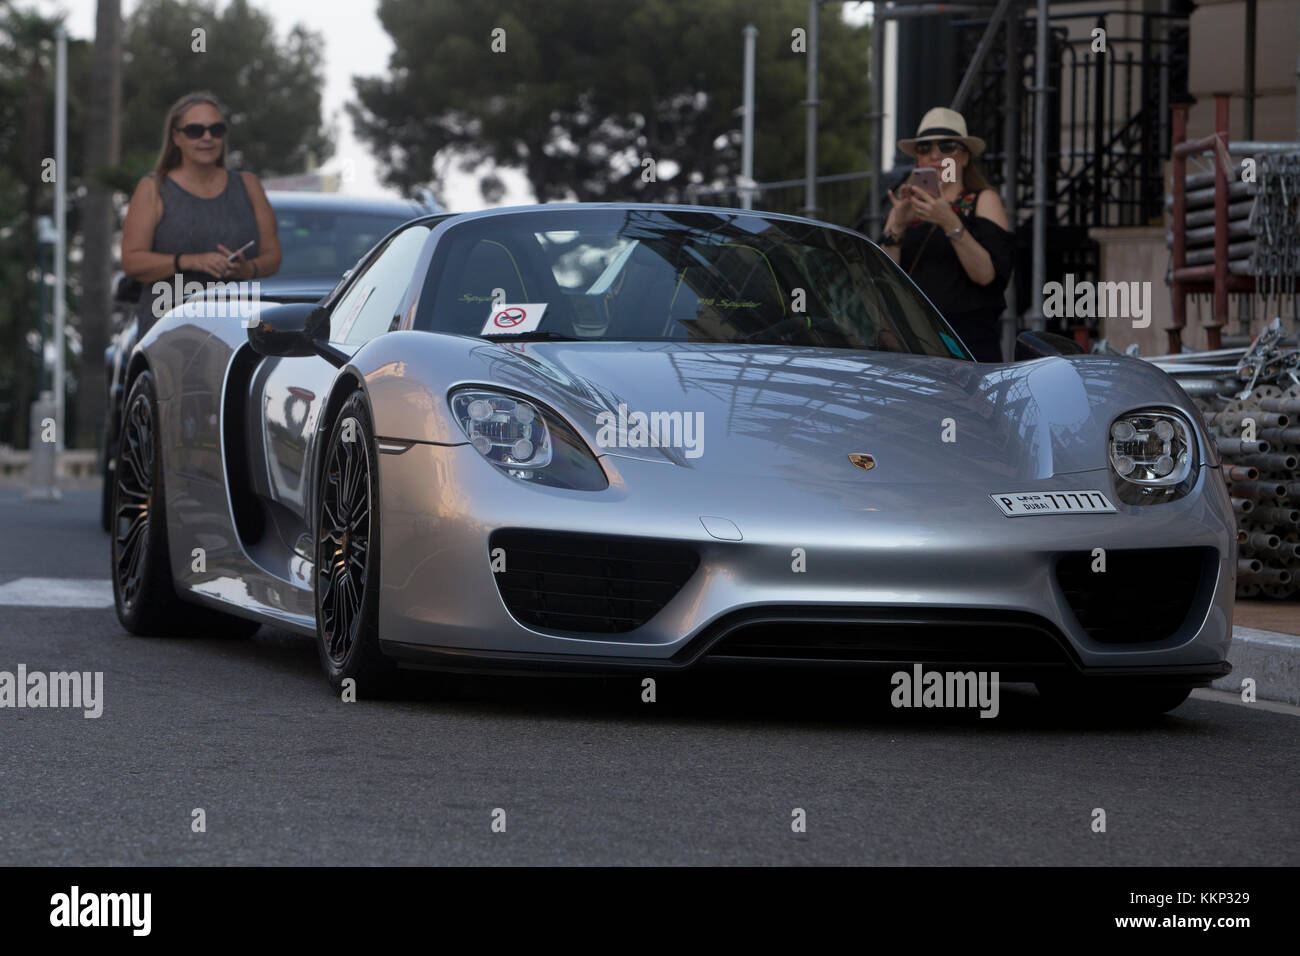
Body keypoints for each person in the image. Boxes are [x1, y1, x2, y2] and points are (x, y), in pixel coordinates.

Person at [121, 91, 280, 336]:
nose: (207, 137)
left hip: (236, 328)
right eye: (195, 130)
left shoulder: (248, 185)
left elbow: (273, 256)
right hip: (169, 332)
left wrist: (248, 269)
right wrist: (189, 261)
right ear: (176, 137)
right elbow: (132, 262)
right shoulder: (153, 189)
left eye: (216, 130)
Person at [879, 108, 1014, 362]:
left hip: (967, 346)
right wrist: (897, 227)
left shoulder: (983, 200)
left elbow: (987, 275)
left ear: (964, 157)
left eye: (947, 146)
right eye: (924, 148)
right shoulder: (905, 207)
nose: (935, 155)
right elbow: (884, 283)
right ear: (918, 159)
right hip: (912, 348)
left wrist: (948, 220)